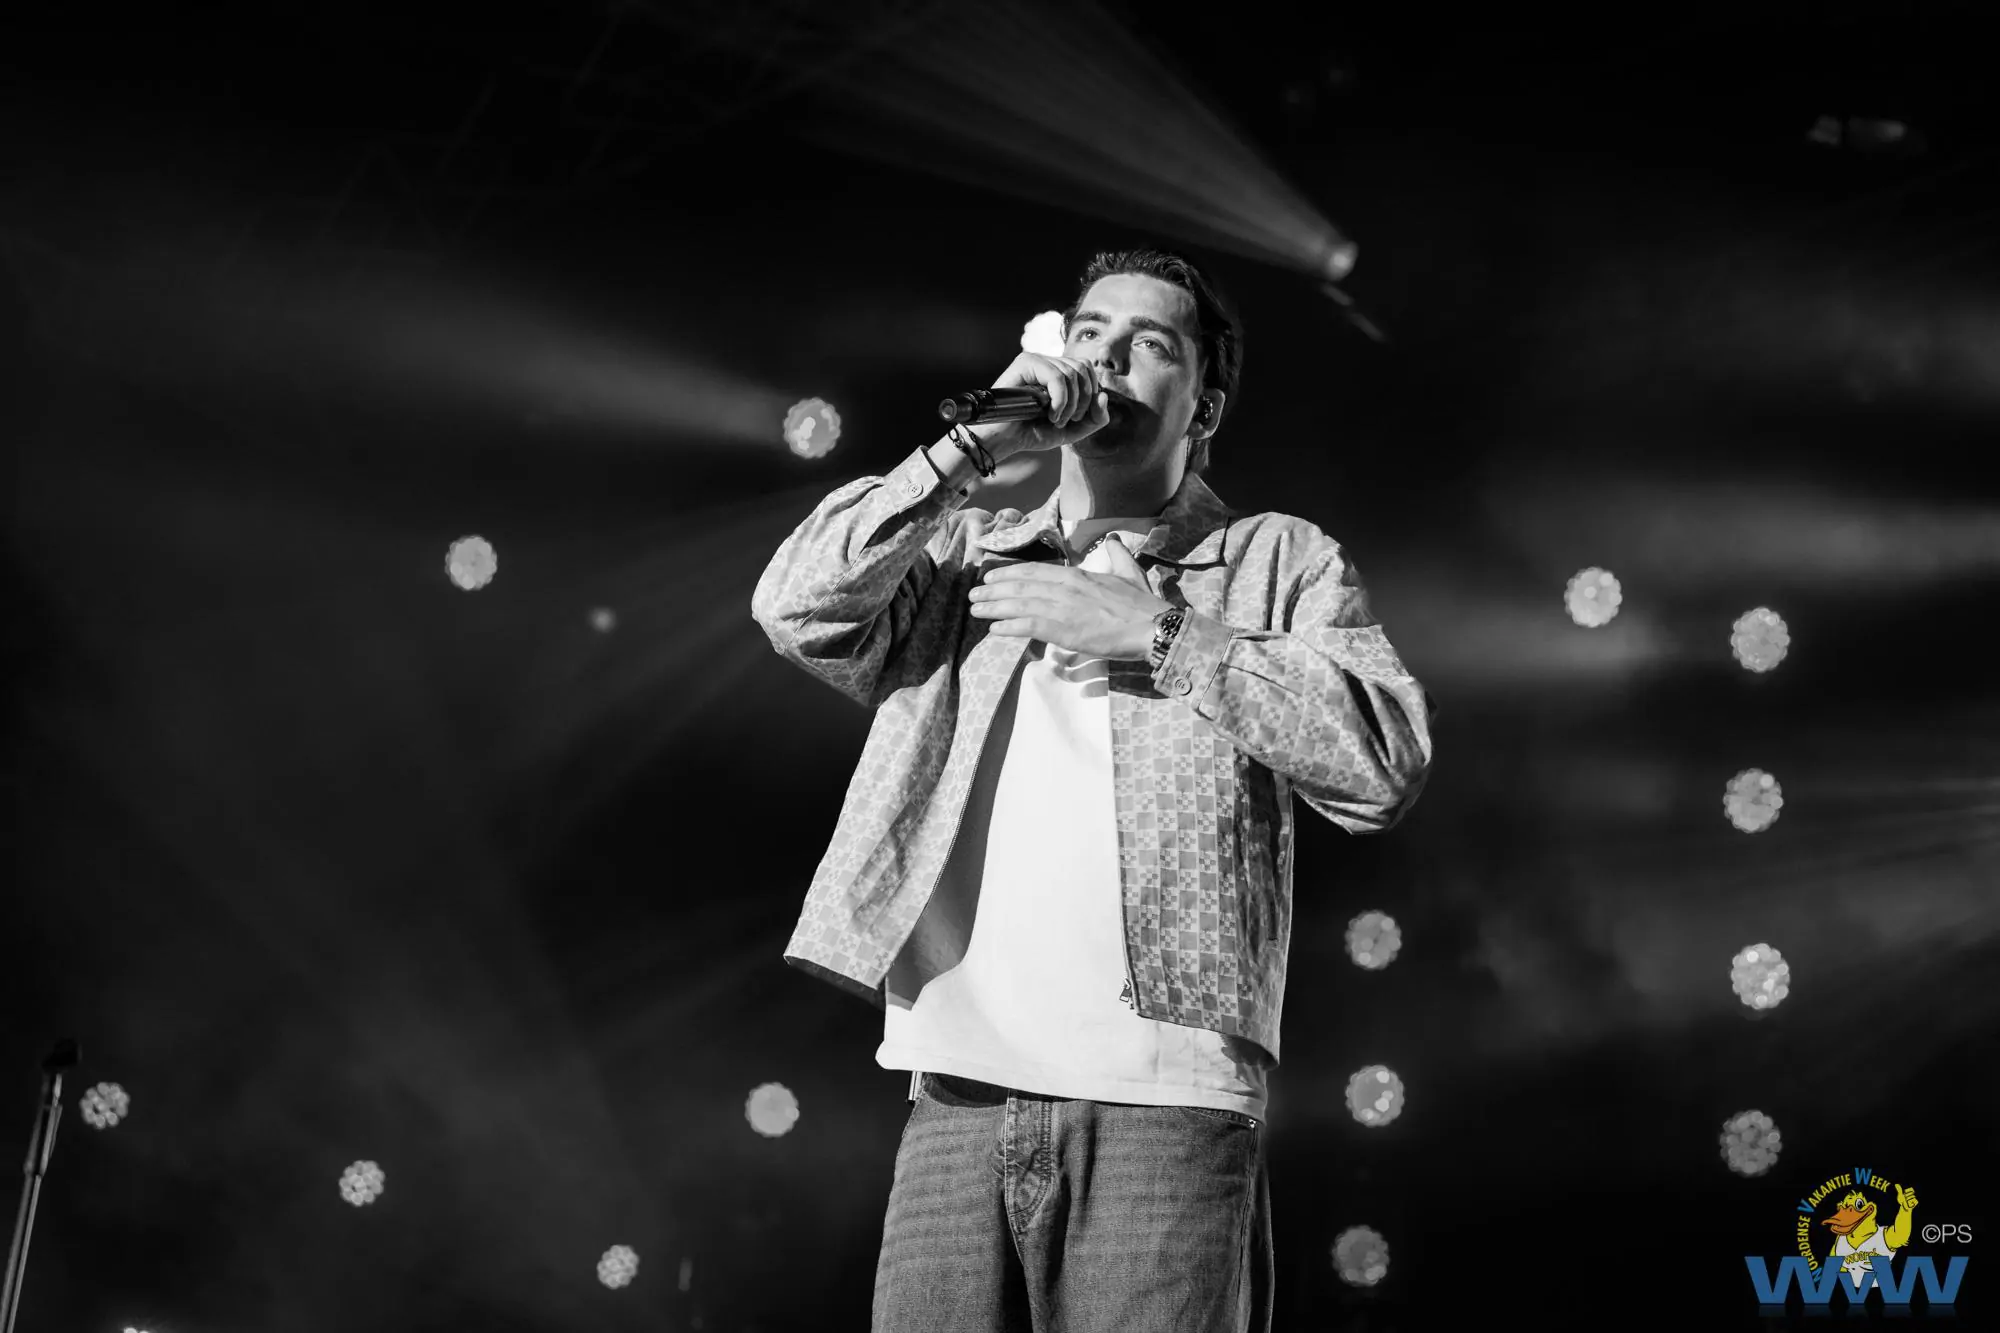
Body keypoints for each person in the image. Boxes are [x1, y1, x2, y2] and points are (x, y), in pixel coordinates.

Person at [751, 246, 1435, 1332]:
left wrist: (1158, 632)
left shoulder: (1275, 562)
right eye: (1089, 333)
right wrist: (975, 443)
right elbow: (795, 606)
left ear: (1202, 406)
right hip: (953, 1099)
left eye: (1149, 343)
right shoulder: (967, 555)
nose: (1108, 355)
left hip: (1162, 1105)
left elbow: (1382, 759)